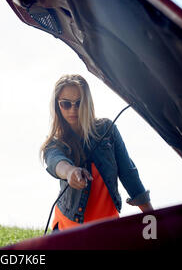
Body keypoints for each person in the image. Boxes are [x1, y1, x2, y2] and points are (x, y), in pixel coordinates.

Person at [41, 74, 152, 232]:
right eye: (65, 104)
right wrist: (70, 172)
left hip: (108, 228)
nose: (73, 109)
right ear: (57, 105)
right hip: (68, 230)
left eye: (79, 103)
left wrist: (153, 218)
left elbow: (129, 174)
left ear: (87, 103)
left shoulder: (108, 130)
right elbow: (56, 161)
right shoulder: (54, 142)